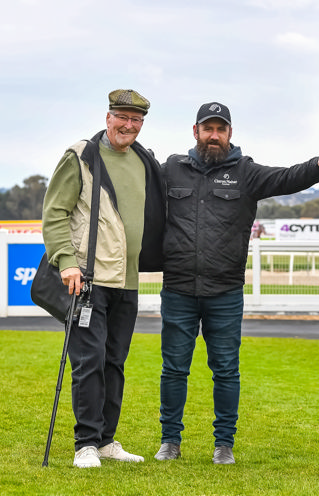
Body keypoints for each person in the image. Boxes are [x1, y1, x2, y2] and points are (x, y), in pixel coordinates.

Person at [154, 101, 319, 464]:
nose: (215, 135)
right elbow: (134, 183)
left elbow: (288, 177)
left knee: (225, 369)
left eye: (221, 129)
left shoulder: (245, 172)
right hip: (178, 289)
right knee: (174, 368)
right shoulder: (170, 169)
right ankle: (169, 440)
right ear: (196, 132)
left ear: (230, 134)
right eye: (209, 128)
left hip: (225, 292)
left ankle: (224, 445)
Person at [42, 89, 165, 468]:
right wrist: (66, 262)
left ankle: (108, 440)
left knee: (115, 362)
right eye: (122, 117)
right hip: (88, 279)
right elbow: (55, 212)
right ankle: (86, 445)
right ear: (108, 116)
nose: (129, 125)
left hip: (127, 281)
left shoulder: (145, 160)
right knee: (89, 360)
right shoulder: (82, 156)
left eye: (137, 119)